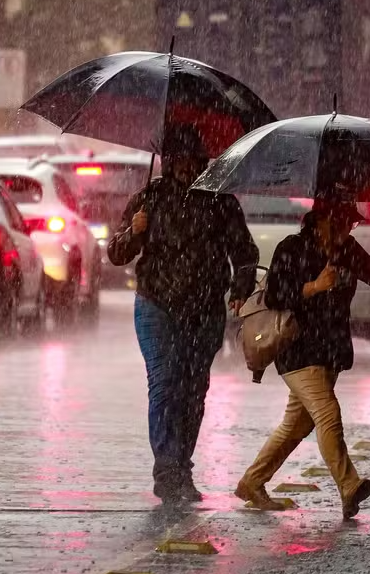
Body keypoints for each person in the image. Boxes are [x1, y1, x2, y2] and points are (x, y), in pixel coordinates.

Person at [107, 125, 259, 505]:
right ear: (169, 161)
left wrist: (240, 288)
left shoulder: (221, 202)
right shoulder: (149, 198)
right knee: (164, 383)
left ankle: (181, 466)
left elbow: (244, 253)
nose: (187, 168)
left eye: (194, 160)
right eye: (180, 160)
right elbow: (116, 253)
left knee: (193, 391)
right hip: (156, 305)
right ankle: (166, 469)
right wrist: (134, 232)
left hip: (205, 310)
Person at [234, 200, 370, 519]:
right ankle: (349, 485)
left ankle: (252, 482)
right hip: (297, 349)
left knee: (296, 425)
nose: (347, 230)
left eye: (351, 224)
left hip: (329, 349)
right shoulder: (292, 248)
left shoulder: (347, 249)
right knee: (328, 413)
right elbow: (275, 296)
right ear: (321, 221)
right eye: (342, 223)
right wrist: (314, 287)